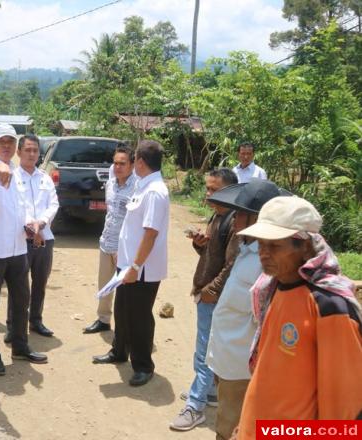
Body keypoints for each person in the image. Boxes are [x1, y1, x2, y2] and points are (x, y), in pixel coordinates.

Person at [233, 196, 362, 439]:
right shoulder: (272, 289)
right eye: (261, 244)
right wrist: (247, 425)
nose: (263, 254)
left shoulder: (329, 307)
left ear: (305, 246)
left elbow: (344, 409)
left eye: (274, 246)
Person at [204, 178, 292, 440]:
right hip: (228, 357)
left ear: (256, 219)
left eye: (241, 213)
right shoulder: (247, 249)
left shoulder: (268, 263)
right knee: (228, 418)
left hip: (242, 365)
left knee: (232, 427)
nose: (235, 217)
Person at [92, 140, 169, 387]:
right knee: (123, 311)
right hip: (127, 264)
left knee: (138, 317)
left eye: (134, 159)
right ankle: (118, 351)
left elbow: (150, 234)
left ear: (140, 162)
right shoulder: (143, 186)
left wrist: (135, 268)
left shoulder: (155, 191)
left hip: (141, 269)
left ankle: (144, 366)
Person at [0, 123, 48, 376]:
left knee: (21, 300)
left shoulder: (16, 173)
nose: (6, 146)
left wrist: (32, 224)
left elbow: (20, 207)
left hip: (17, 248)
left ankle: (20, 346)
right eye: (1, 141)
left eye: (10, 142)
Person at [170, 168, 239, 431]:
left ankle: (195, 407)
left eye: (214, 190)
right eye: (207, 188)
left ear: (231, 192)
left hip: (214, 297)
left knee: (205, 353)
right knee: (207, 350)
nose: (208, 194)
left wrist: (211, 291)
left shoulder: (235, 222)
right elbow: (214, 254)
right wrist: (201, 243)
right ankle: (208, 392)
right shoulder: (219, 214)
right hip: (208, 292)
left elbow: (232, 266)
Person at [4, 134, 59, 339]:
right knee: (17, 284)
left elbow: (53, 204)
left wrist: (41, 223)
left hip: (45, 238)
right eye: (27, 150)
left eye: (35, 150)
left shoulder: (45, 178)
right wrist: (30, 226)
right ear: (18, 153)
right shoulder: (11, 178)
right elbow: (13, 207)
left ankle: (36, 320)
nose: (32, 153)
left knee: (40, 282)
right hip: (20, 239)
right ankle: (12, 326)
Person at [84, 145, 136, 334]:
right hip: (107, 242)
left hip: (125, 248)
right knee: (105, 284)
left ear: (132, 165)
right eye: (115, 163)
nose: (117, 167)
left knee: (125, 291)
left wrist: (124, 248)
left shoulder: (138, 188)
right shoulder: (111, 183)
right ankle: (103, 320)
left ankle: (126, 327)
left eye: (122, 163)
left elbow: (135, 222)